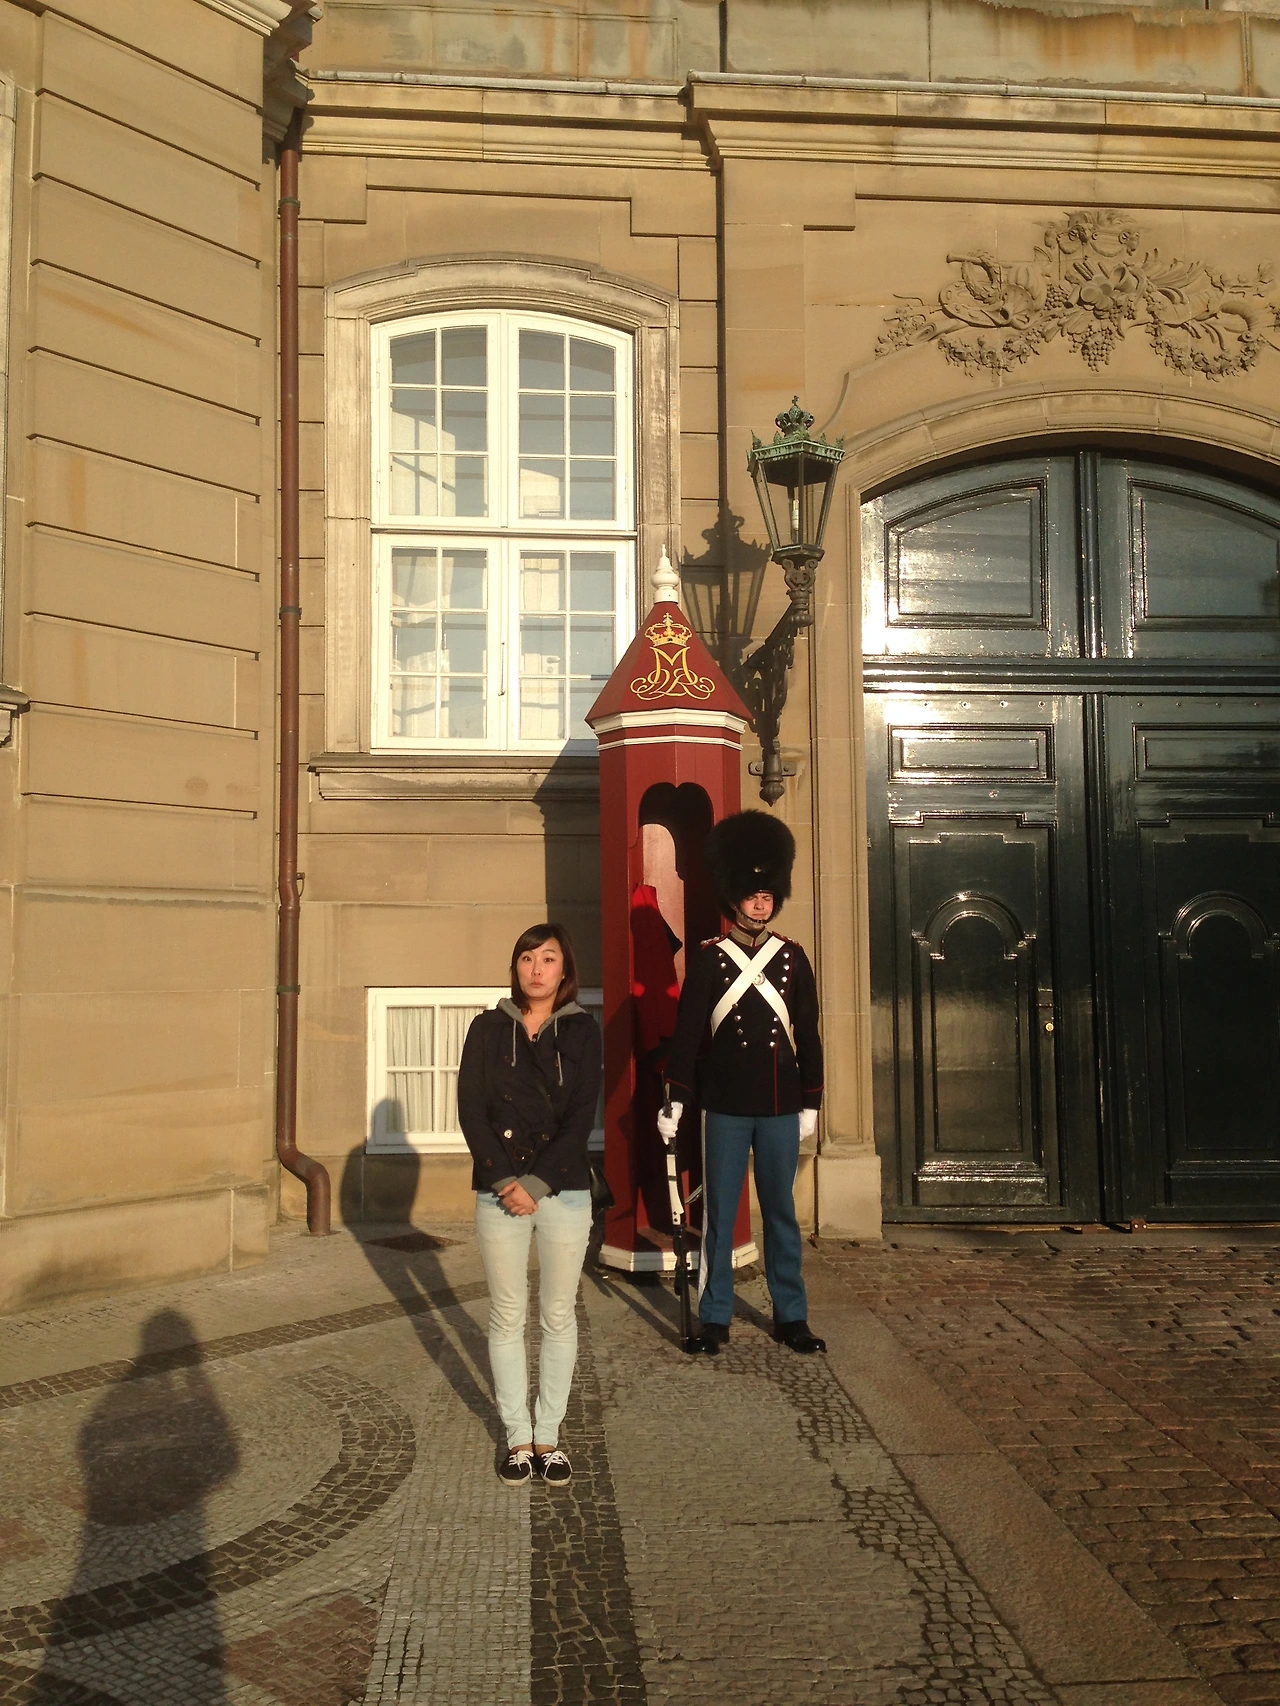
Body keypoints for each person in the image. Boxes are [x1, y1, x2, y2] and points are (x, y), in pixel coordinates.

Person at [659, 811, 826, 1355]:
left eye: (766, 895)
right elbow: (688, 1035)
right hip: (725, 1105)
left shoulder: (793, 958)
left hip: (779, 1105)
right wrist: (677, 1098)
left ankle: (792, 1315)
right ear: (734, 898)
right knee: (720, 1215)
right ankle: (715, 1316)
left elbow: (809, 1033)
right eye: (752, 895)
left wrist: (811, 1101)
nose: (759, 904)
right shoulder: (710, 960)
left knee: (781, 1213)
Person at [457, 922, 603, 1486]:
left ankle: (550, 1435)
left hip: (563, 1190)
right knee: (506, 1314)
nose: (537, 969)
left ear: (565, 970)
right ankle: (518, 1436)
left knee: (558, 1315)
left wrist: (536, 1184)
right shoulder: (487, 1028)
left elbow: (581, 1116)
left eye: (548, 958)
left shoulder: (582, 1031)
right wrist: (504, 1180)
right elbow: (471, 1111)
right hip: (499, 1191)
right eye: (527, 958)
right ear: (515, 967)